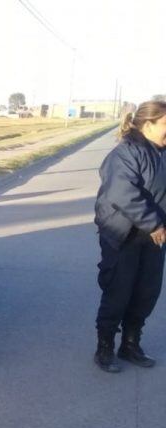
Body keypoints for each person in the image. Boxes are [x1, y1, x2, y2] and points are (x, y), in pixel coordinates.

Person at [93, 100, 166, 372]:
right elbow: (121, 193)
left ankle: (131, 344)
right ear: (148, 124)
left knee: (147, 292)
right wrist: (154, 224)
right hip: (123, 234)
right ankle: (105, 347)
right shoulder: (126, 152)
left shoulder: (162, 152)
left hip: (154, 237)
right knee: (118, 292)